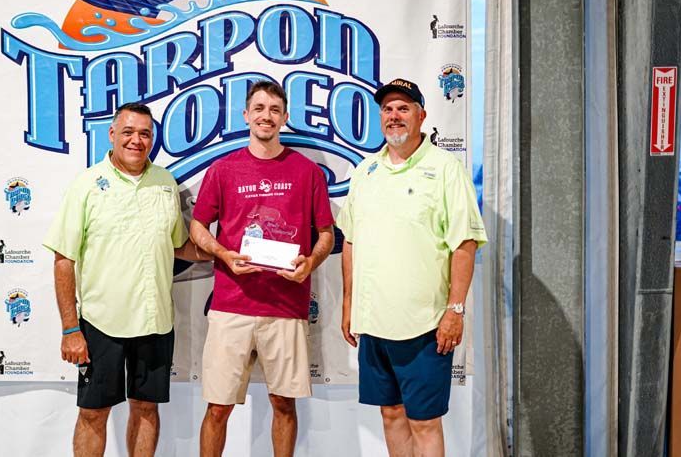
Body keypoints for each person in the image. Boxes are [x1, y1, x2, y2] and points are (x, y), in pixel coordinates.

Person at [43, 102, 205, 457]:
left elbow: (179, 246)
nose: (137, 140)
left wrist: (224, 250)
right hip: (102, 324)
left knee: (147, 408)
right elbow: (63, 260)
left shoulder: (164, 182)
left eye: (145, 133)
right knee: (93, 412)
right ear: (112, 135)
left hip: (155, 322)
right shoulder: (86, 185)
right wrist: (71, 329)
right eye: (128, 132)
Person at [337, 78, 487, 457]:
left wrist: (455, 310)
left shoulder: (445, 169)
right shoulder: (365, 171)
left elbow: (464, 244)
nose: (394, 116)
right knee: (391, 413)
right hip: (373, 323)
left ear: (422, 115)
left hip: (425, 325)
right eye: (387, 109)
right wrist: (349, 303)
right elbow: (351, 241)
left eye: (403, 108)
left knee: (424, 421)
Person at [190, 80, 335, 457]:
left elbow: (326, 234)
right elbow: (197, 226)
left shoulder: (307, 172)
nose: (265, 116)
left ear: (284, 117)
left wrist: (311, 262)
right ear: (246, 115)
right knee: (218, 407)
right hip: (231, 306)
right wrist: (223, 254)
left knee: (284, 405)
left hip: (286, 307)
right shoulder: (224, 170)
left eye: (274, 109)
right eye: (258, 108)